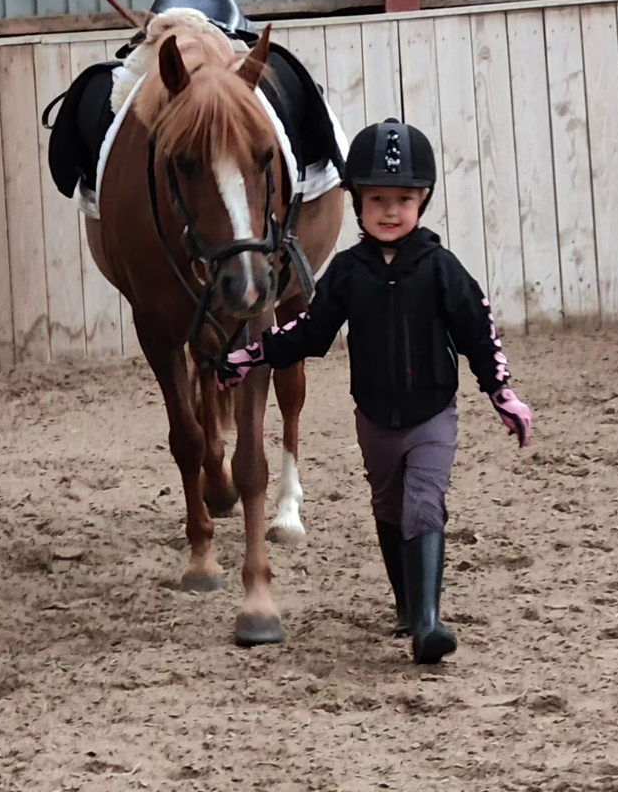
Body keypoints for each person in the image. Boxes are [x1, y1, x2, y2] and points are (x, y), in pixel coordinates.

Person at [216, 118, 532, 664]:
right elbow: (309, 332)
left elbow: (478, 330)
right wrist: (251, 355)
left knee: (423, 506)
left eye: (403, 199)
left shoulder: (441, 268)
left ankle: (429, 624)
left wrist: (501, 391)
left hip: (432, 413)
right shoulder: (346, 272)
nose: (390, 211)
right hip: (375, 420)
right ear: (356, 200)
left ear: (423, 200)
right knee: (388, 507)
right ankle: (408, 607)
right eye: (377, 198)